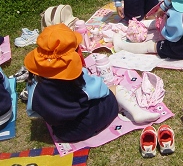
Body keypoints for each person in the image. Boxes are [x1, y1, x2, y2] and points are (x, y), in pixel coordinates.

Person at [24, 24, 160, 142]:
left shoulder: (34, 83)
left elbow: (33, 112)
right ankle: (137, 112)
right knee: (115, 89)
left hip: (64, 133)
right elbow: (102, 90)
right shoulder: (77, 78)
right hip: (90, 121)